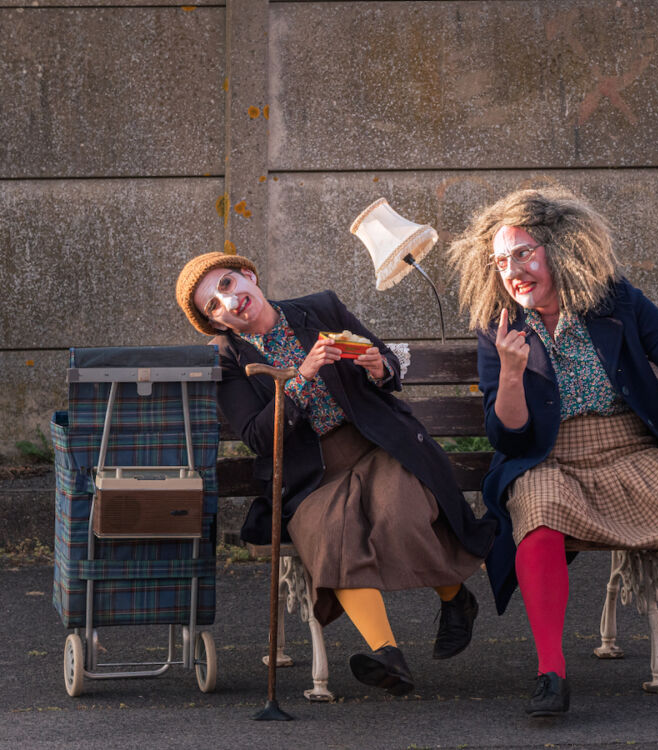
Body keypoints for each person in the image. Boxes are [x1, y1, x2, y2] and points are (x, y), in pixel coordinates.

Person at [448, 187, 658, 717]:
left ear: (561, 248)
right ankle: (550, 673)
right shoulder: (499, 326)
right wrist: (510, 373)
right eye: (500, 260)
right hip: (545, 457)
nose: (512, 270)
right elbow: (507, 437)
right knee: (539, 519)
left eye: (523, 253)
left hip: (630, 447)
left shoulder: (613, 299)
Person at [175, 252, 495, 696]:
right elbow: (256, 436)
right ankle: (389, 656)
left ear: (249, 275)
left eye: (227, 284)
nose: (228, 301)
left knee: (399, 512)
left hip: (374, 445)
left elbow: (386, 360)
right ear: (218, 324)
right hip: (310, 472)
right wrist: (302, 377)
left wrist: (379, 366)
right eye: (214, 305)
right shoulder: (228, 359)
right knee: (330, 533)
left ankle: (456, 599)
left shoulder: (320, 308)